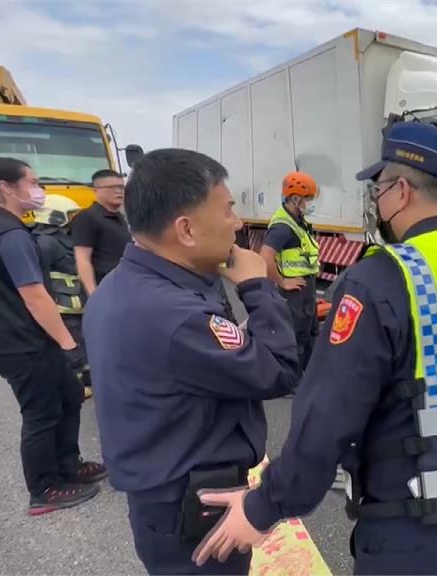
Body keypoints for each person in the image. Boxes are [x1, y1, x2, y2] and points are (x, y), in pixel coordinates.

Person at [191, 122, 437, 575]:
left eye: (378, 189)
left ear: (401, 191)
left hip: (418, 534)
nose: (376, 202)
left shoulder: (383, 279)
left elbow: (326, 420)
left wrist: (261, 508)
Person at [84, 149, 299, 574]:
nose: (237, 224)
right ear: (185, 229)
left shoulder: (121, 285)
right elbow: (277, 369)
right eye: (228, 209)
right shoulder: (176, 315)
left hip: (160, 494)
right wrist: (257, 286)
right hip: (192, 505)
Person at [0, 158, 105, 516]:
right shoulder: (9, 234)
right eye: (32, 182)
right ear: (6, 188)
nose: (38, 190)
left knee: (69, 394)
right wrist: (68, 343)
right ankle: (44, 488)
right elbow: (35, 295)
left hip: (0, 334)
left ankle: (68, 465)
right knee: (42, 411)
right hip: (18, 340)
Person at [258, 171, 320, 374]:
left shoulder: (297, 220)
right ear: (295, 199)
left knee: (310, 333)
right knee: (296, 336)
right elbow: (265, 256)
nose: (310, 204)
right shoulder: (283, 227)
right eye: (308, 199)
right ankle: (292, 380)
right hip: (294, 294)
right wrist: (282, 282)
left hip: (305, 289)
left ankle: (310, 375)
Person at [31, 194, 92, 399]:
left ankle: (87, 378)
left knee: (84, 342)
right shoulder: (45, 243)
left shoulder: (63, 237)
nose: (74, 219)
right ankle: (73, 385)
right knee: (71, 344)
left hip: (77, 301)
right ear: (55, 216)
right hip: (63, 305)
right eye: (70, 214)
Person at [73, 169, 131, 295]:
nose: (118, 191)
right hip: (104, 290)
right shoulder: (87, 217)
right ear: (96, 190)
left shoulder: (121, 218)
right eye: (111, 187)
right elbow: (82, 258)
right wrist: (93, 294)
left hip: (125, 287)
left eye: (121, 187)